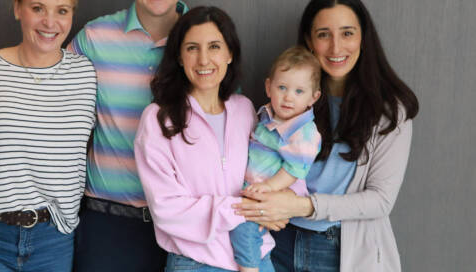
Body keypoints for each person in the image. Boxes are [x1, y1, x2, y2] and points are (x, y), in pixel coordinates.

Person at [233, 0, 419, 271]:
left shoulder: (390, 111)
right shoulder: (289, 98)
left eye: (347, 33)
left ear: (363, 38)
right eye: (323, 35)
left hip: (338, 248)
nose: (336, 47)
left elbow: (380, 200)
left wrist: (302, 206)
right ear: (309, 41)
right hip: (276, 239)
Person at [135, 6, 275, 272]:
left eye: (214, 47)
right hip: (195, 264)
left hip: (257, 258)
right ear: (178, 57)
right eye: (191, 48)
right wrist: (241, 210)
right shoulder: (157, 120)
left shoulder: (245, 109)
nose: (203, 60)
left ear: (229, 53)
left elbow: (266, 169)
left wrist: (277, 205)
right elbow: (166, 210)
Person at [0, 0, 96, 271]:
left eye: (62, 10)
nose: (49, 22)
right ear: (17, 9)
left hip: (54, 238)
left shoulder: (85, 74)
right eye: (38, 8)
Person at [67, 1, 188, 271]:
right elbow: (54, 104)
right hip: (107, 223)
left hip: (186, 229)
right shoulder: (94, 37)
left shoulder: (204, 37)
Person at [231, 46, 322, 272]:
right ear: (268, 87)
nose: (288, 97)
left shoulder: (304, 132)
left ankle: (249, 268)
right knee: (247, 228)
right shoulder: (266, 114)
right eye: (282, 87)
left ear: (314, 97)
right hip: (257, 185)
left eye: (299, 92)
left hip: (279, 189)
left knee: (243, 227)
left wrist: (269, 187)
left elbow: (294, 169)